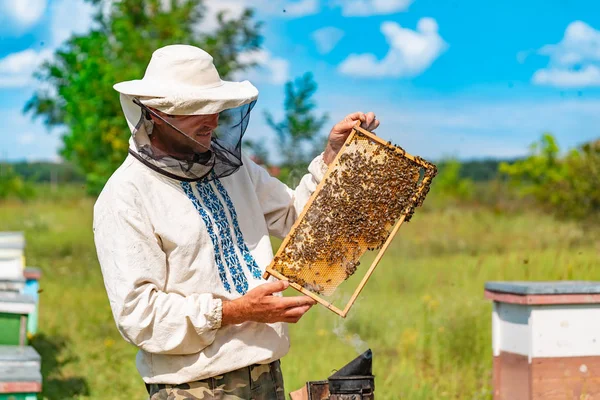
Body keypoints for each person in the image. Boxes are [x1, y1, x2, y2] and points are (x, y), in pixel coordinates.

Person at [93, 44, 379, 400]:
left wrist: (332, 158)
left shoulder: (236, 168)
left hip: (265, 373)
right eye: (197, 109)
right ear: (154, 112)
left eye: (216, 108)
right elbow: (139, 314)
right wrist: (238, 311)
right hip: (191, 387)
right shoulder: (126, 195)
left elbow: (298, 221)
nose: (212, 121)